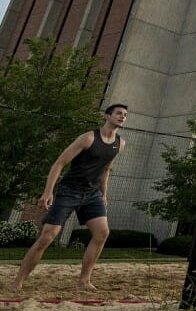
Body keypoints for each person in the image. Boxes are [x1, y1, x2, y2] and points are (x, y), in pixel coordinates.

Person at [14, 104, 128, 291]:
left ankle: (84, 281)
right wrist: (48, 191)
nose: (122, 117)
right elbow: (59, 163)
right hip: (69, 191)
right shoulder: (89, 137)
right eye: (118, 113)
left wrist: (104, 194)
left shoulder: (120, 143)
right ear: (107, 116)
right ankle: (18, 281)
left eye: (125, 115)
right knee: (47, 237)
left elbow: (106, 169)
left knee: (102, 233)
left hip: (92, 195)